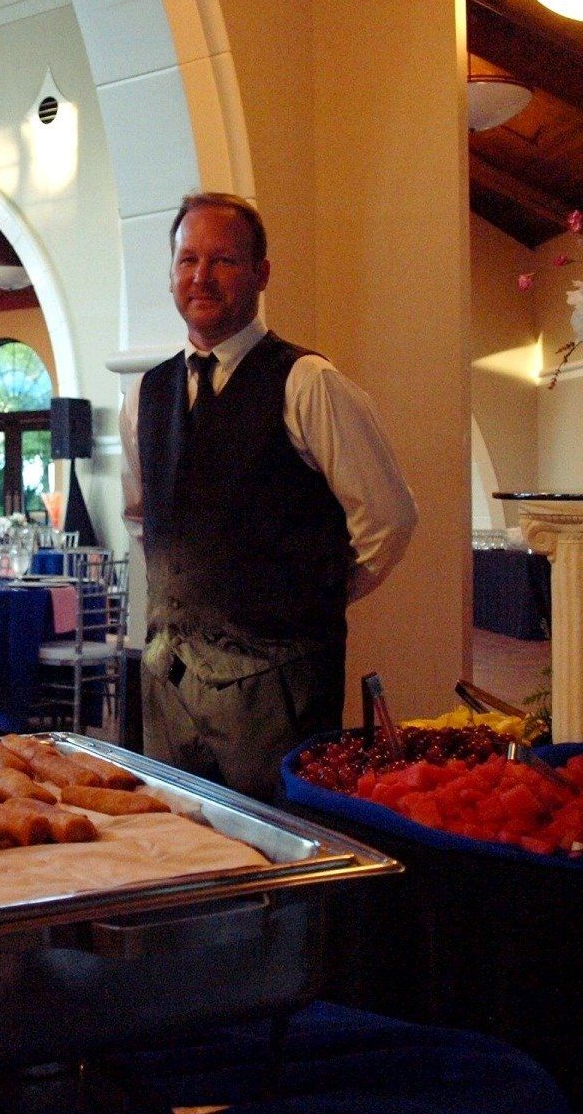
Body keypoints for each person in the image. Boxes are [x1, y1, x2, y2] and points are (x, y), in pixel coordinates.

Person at [121, 192, 418, 801]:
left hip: (277, 696)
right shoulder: (144, 397)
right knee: (177, 852)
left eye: (224, 260)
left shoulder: (308, 383)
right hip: (167, 691)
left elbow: (389, 519)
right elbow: (140, 521)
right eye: (187, 260)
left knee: (280, 861)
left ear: (261, 274)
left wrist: (309, 596)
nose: (201, 276)